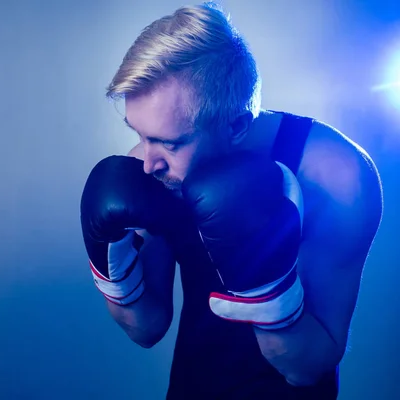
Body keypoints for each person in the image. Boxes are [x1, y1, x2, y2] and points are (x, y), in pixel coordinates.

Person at [79, 2, 383, 399]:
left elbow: (306, 368)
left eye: (169, 143)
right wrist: (113, 275)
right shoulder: (150, 168)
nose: (146, 160)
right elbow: (146, 327)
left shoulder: (337, 175)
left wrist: (266, 287)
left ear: (237, 124)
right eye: (139, 133)